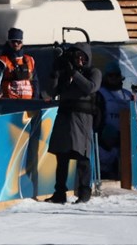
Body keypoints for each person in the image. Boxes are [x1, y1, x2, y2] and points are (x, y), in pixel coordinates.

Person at [44, 42, 102, 204]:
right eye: (76, 57)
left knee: (82, 157)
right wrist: (56, 72)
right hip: (64, 118)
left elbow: (90, 87)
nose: (79, 60)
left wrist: (74, 73)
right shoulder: (66, 72)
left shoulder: (93, 72)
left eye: (82, 57)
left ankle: (84, 193)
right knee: (61, 157)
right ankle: (59, 193)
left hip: (82, 120)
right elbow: (51, 91)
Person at [96, 61, 134, 179]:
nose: (113, 78)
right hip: (106, 140)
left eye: (116, 75)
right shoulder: (100, 93)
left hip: (125, 138)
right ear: (106, 77)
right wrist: (102, 134)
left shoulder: (128, 94)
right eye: (110, 75)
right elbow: (97, 116)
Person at [0, 28, 39, 100]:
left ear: (22, 43)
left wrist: (35, 98)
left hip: (28, 102)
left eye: (18, 42)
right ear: (9, 42)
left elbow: (34, 81)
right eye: (13, 41)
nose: (16, 44)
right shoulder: (1, 60)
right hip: (9, 102)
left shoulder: (30, 60)